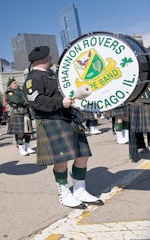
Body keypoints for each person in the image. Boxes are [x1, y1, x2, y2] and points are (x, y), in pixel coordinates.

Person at [22, 46, 103, 209]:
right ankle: (64, 193)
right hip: (51, 119)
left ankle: (80, 190)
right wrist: (60, 102)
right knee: (62, 159)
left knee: (82, 156)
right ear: (41, 59)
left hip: (68, 118)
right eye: (49, 57)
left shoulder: (54, 75)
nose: (51, 58)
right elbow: (36, 101)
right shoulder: (33, 79)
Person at [5, 77, 35, 156]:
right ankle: (21, 148)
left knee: (28, 131)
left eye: (16, 82)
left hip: (25, 112)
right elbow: (17, 100)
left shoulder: (21, 91)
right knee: (20, 132)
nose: (16, 84)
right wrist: (25, 101)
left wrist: (25, 101)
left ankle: (27, 147)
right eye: (14, 83)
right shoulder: (9, 93)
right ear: (10, 86)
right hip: (17, 113)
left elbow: (27, 98)